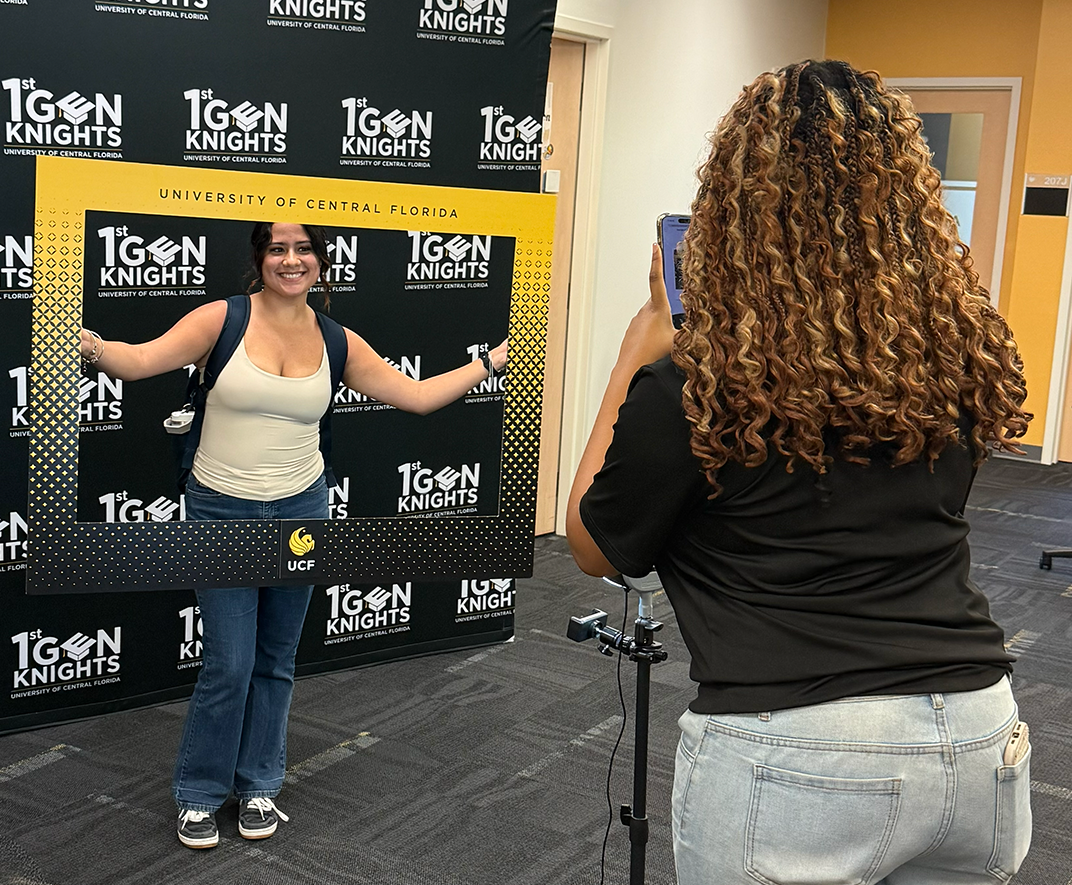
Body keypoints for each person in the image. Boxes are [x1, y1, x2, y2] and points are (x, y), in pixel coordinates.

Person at [566, 60, 1033, 884]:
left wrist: (635, 352)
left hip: (798, 746)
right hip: (976, 733)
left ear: (732, 210)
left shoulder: (695, 386)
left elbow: (597, 548)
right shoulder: (951, 361)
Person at [79, 221, 507, 849]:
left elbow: (415, 398)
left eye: (303, 249)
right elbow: (139, 361)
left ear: (319, 261)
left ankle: (258, 788)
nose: (291, 259)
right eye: (278, 248)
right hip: (221, 512)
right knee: (229, 662)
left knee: (276, 659)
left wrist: (492, 361)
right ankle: (199, 795)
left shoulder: (337, 340)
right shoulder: (219, 321)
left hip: (303, 514)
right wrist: (85, 342)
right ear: (261, 260)